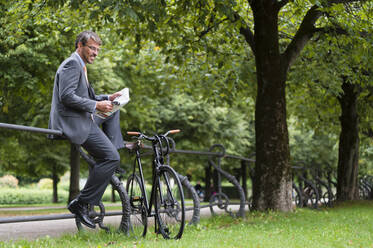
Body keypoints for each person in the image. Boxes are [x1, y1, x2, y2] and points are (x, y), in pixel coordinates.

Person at [49, 30, 124, 228]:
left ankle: (112, 154)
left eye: (97, 49)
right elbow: (67, 96)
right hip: (74, 122)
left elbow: (86, 96)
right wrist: (95, 106)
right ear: (79, 46)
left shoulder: (80, 65)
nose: (95, 53)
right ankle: (81, 203)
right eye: (92, 48)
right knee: (111, 158)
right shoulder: (72, 64)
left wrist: (107, 98)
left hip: (84, 117)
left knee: (114, 109)